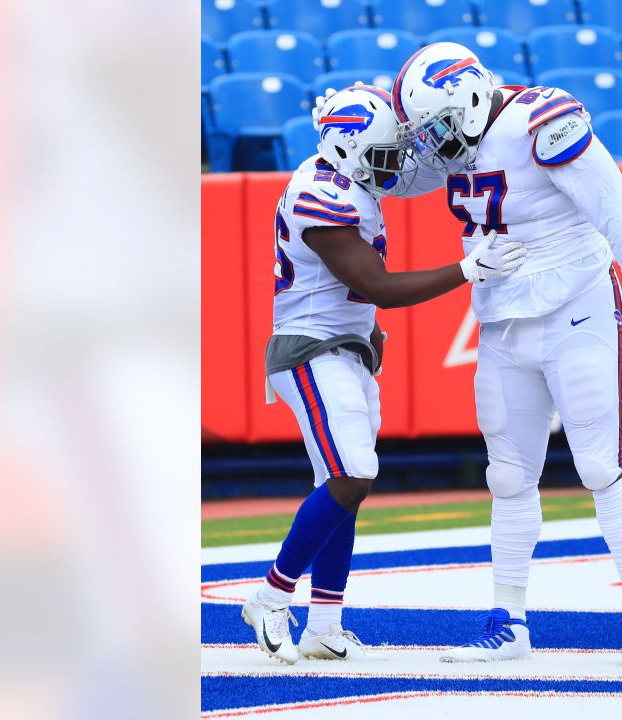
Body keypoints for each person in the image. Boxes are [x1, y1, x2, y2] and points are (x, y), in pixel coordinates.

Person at [393, 44, 622, 666]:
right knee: (507, 475)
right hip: (501, 319)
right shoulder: (451, 140)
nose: (435, 142)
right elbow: (389, 171)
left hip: (574, 303)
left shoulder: (541, 121)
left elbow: (618, 211)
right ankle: (508, 622)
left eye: (440, 125)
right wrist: (351, 122)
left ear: (472, 99)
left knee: (599, 464)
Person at [241, 84, 528, 664]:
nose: (393, 162)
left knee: (341, 484)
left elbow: (365, 277)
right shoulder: (319, 194)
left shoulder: (351, 179)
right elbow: (379, 286)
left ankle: (325, 623)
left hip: (344, 347)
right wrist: (468, 268)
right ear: (348, 149)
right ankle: (270, 595)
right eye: (382, 152)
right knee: (353, 473)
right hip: (309, 350)